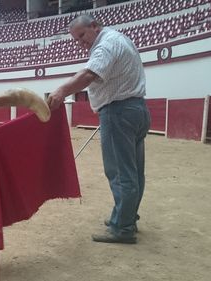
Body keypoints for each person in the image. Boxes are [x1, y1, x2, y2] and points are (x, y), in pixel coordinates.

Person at [47, 14, 151, 244]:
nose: (81, 43)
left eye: (82, 35)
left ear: (94, 26)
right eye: (76, 39)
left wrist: (61, 90)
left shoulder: (106, 44)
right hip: (136, 109)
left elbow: (89, 75)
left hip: (119, 112)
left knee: (120, 172)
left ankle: (123, 227)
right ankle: (127, 216)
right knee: (133, 171)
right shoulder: (118, 39)